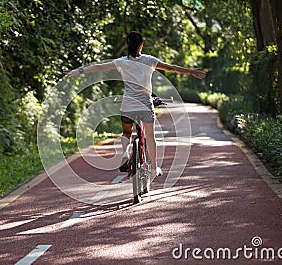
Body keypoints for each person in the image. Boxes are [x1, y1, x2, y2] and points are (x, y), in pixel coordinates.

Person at [65, 31, 206, 178]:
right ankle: (154, 168)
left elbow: (98, 67)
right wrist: (191, 71)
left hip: (128, 105)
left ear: (128, 45)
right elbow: (171, 68)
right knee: (150, 137)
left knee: (126, 133)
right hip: (145, 104)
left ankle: (126, 153)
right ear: (141, 45)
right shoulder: (149, 60)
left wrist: (75, 71)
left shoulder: (121, 62)